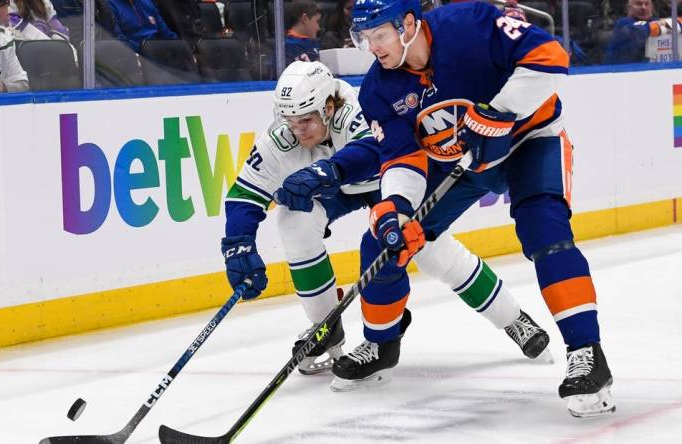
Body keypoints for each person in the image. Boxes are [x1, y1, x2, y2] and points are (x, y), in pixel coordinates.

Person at [317, 0, 615, 418]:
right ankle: (381, 343)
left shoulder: (471, 22)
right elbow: (402, 158)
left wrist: (501, 113)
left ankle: (587, 354)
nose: (372, 48)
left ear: (407, 24)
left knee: (545, 234)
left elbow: (550, 57)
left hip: (531, 141)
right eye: (363, 38)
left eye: (378, 35)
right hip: (458, 162)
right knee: (385, 244)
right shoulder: (378, 88)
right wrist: (397, 209)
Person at [223, 60, 550, 377]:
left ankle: (512, 318)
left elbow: (371, 151)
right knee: (294, 220)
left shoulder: (356, 110)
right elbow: (245, 192)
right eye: (290, 121)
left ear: (329, 107)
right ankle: (325, 327)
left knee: (430, 251)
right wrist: (239, 245)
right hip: (338, 186)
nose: (297, 130)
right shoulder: (284, 133)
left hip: (392, 182)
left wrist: (324, 172)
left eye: (306, 120)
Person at [106, 0, 177, 53]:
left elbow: (167, 34)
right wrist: (143, 50)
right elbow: (119, 42)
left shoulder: (147, 2)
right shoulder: (109, 5)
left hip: (161, 54)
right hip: (136, 59)